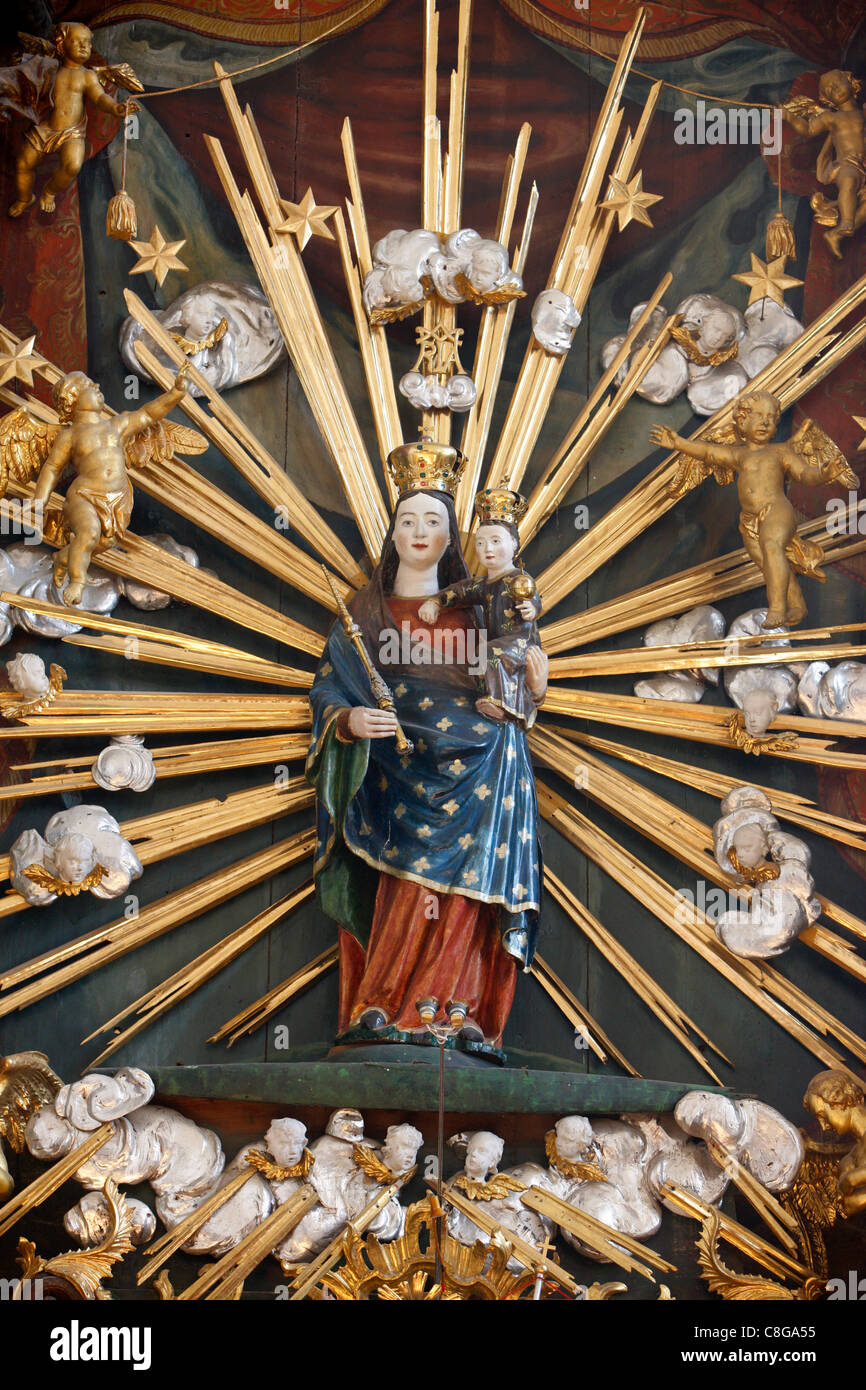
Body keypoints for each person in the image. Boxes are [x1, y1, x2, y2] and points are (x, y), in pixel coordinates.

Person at [306, 440, 547, 1053]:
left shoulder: (478, 612)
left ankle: (456, 1008)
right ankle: (384, 999)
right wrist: (350, 721)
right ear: (391, 532)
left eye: (433, 521)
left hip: (485, 761)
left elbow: (518, 669)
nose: (419, 532)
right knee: (406, 885)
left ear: (451, 536)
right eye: (408, 520)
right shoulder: (366, 612)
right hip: (397, 765)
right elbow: (332, 689)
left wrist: (531, 676)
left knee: (467, 888)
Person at [651, 390, 856, 628]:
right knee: (768, 563)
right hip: (749, 520)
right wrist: (678, 443)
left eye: (771, 417)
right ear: (742, 420)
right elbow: (708, 452)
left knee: (771, 548)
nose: (766, 421)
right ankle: (796, 601)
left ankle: (777, 608)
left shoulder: (780, 452)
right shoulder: (739, 454)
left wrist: (823, 474)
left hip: (777, 510)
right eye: (758, 415)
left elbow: (804, 474)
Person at [32, 364, 189, 605]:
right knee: (89, 533)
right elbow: (53, 467)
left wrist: (175, 393)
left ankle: (64, 557)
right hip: (84, 495)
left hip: (117, 496)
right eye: (86, 384)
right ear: (72, 399)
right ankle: (77, 582)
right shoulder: (70, 435)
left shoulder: (116, 425)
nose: (94, 385)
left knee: (105, 542)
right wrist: (40, 498)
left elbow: (148, 414)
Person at [419, 487, 542, 726]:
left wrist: (531, 608)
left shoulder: (519, 580)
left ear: (514, 544)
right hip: (498, 645)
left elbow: (532, 597)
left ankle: (506, 705)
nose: (487, 549)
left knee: (489, 653)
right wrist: (434, 602)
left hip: (521, 642)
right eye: (481, 542)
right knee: (483, 656)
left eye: (496, 541)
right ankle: (505, 704)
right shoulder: (484, 585)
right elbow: (458, 592)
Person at [0, 23, 138, 217]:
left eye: (88, 43)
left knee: (73, 165)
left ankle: (49, 191)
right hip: (45, 128)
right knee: (23, 164)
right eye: (77, 41)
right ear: (61, 45)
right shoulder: (50, 70)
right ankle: (25, 198)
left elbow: (100, 98)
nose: (84, 46)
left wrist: (115, 108)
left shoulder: (87, 76)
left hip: (72, 132)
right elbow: (30, 82)